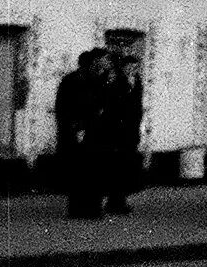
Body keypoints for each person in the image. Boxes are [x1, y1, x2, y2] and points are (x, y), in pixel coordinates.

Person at [55, 50, 106, 220]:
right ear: (88, 64)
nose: (100, 65)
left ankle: (92, 208)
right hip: (78, 131)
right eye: (97, 62)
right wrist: (75, 127)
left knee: (93, 171)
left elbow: (100, 104)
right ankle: (79, 209)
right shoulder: (72, 81)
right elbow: (63, 107)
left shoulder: (96, 80)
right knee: (79, 171)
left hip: (93, 131)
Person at [104, 53, 144, 215]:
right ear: (124, 67)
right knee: (118, 167)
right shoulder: (118, 82)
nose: (132, 70)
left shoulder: (137, 82)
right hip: (118, 131)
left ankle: (120, 200)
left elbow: (137, 105)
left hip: (131, 130)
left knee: (126, 167)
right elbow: (114, 106)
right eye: (130, 67)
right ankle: (115, 201)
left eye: (135, 67)